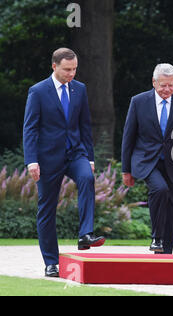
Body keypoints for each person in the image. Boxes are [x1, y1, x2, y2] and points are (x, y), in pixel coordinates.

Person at [23, 48, 105, 278]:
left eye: (75, 69)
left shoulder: (80, 89)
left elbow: (85, 125)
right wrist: (32, 161)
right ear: (54, 67)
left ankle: (85, 234)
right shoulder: (38, 91)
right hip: (48, 158)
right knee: (47, 209)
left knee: (87, 178)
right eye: (67, 69)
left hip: (75, 152)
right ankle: (51, 262)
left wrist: (89, 157)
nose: (72, 73)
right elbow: (30, 128)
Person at [121, 63, 173, 254]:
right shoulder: (139, 101)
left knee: (172, 206)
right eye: (163, 85)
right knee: (160, 189)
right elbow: (128, 136)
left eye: (171, 85)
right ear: (154, 82)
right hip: (146, 160)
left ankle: (166, 254)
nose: (167, 89)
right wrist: (126, 169)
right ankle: (156, 237)